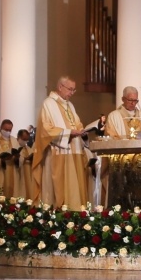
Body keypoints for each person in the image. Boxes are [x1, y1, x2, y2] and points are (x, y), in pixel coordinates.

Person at [36, 77, 89, 208]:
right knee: (59, 187)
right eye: (70, 89)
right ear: (60, 87)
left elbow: (77, 123)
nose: (72, 93)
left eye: (74, 90)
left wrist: (82, 131)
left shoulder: (70, 105)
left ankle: (75, 210)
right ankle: (58, 211)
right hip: (58, 151)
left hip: (74, 150)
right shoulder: (48, 103)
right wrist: (68, 133)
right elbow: (46, 130)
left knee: (74, 184)